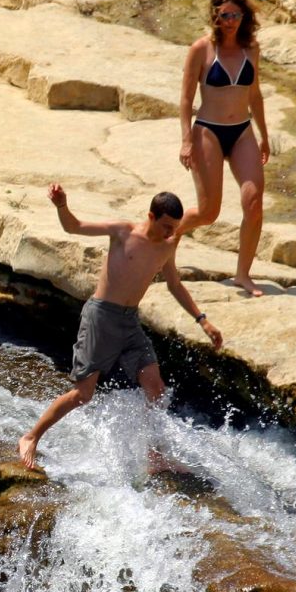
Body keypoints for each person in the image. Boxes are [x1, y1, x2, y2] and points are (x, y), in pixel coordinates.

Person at [17, 184, 223, 470]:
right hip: (101, 317)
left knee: (156, 388)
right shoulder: (123, 231)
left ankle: (155, 456)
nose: (170, 233)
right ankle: (30, 437)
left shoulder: (168, 244)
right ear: (151, 216)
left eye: (174, 228)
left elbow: (174, 284)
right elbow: (74, 227)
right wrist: (62, 206)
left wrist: (203, 320)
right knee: (83, 394)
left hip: (129, 321)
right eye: (166, 226)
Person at [178, 0, 271, 297]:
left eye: (236, 15)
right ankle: (167, 234)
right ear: (214, 16)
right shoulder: (201, 49)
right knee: (208, 213)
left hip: (242, 131)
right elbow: (186, 96)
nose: (230, 21)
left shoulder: (251, 49)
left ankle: (243, 275)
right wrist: (186, 140)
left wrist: (264, 136)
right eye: (224, 15)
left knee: (254, 202)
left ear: (244, 17)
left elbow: (255, 96)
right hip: (208, 131)